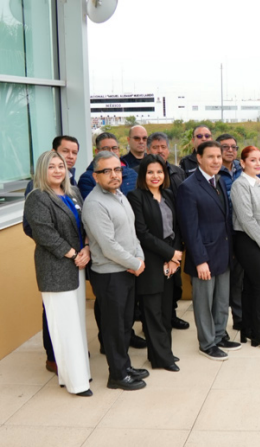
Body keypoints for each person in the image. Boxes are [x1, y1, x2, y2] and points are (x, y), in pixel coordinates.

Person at [24, 151, 92, 396]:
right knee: (65, 327)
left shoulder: (73, 193)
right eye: (51, 166)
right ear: (42, 170)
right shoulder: (37, 197)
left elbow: (85, 225)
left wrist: (86, 248)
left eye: (60, 166)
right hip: (55, 268)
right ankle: (76, 384)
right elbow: (45, 234)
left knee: (77, 324)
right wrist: (74, 254)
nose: (57, 171)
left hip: (78, 264)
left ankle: (77, 374)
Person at [82, 151, 149, 390]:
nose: (114, 175)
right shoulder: (95, 204)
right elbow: (108, 246)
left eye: (117, 169)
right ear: (95, 176)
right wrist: (135, 264)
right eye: (106, 171)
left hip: (127, 270)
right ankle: (117, 376)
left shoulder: (119, 195)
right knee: (114, 327)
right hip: (110, 275)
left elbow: (131, 233)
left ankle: (125, 366)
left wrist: (139, 258)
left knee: (124, 324)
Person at [177, 141, 241, 360]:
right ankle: (207, 343)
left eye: (218, 157)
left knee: (222, 300)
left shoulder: (219, 180)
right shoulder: (188, 187)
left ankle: (220, 335)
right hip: (204, 257)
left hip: (223, 252)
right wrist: (200, 260)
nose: (216, 161)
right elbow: (190, 229)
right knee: (204, 303)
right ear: (199, 158)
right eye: (211, 157)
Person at [127, 155, 182, 371]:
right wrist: (170, 254)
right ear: (143, 175)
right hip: (150, 261)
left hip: (170, 260)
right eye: (150, 172)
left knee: (166, 311)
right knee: (152, 313)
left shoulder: (168, 194)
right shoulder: (136, 197)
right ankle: (161, 359)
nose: (155, 176)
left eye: (159, 172)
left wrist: (175, 257)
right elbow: (142, 233)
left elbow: (177, 228)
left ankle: (163, 352)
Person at [230, 146, 260, 350]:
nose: (258, 163)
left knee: (252, 286)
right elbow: (246, 219)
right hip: (247, 241)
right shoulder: (240, 185)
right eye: (253, 160)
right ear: (242, 163)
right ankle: (259, 333)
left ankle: (248, 329)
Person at [146, 132, 190, 331]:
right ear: (149, 150)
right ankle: (153, 325)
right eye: (155, 147)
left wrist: (177, 247)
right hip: (152, 244)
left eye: (163, 147)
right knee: (154, 289)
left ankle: (171, 316)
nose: (160, 150)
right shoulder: (141, 175)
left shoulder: (177, 172)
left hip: (174, 238)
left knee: (174, 285)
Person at [216, 134, 245, 328]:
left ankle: (239, 317)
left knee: (239, 278)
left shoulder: (242, 170)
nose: (229, 150)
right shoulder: (214, 172)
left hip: (241, 231)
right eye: (225, 147)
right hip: (221, 233)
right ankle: (219, 321)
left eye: (233, 147)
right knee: (222, 278)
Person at [78, 132, 137, 199]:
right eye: (106, 149)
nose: (111, 152)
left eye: (114, 148)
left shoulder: (132, 174)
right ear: (97, 152)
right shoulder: (87, 179)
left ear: (118, 150)